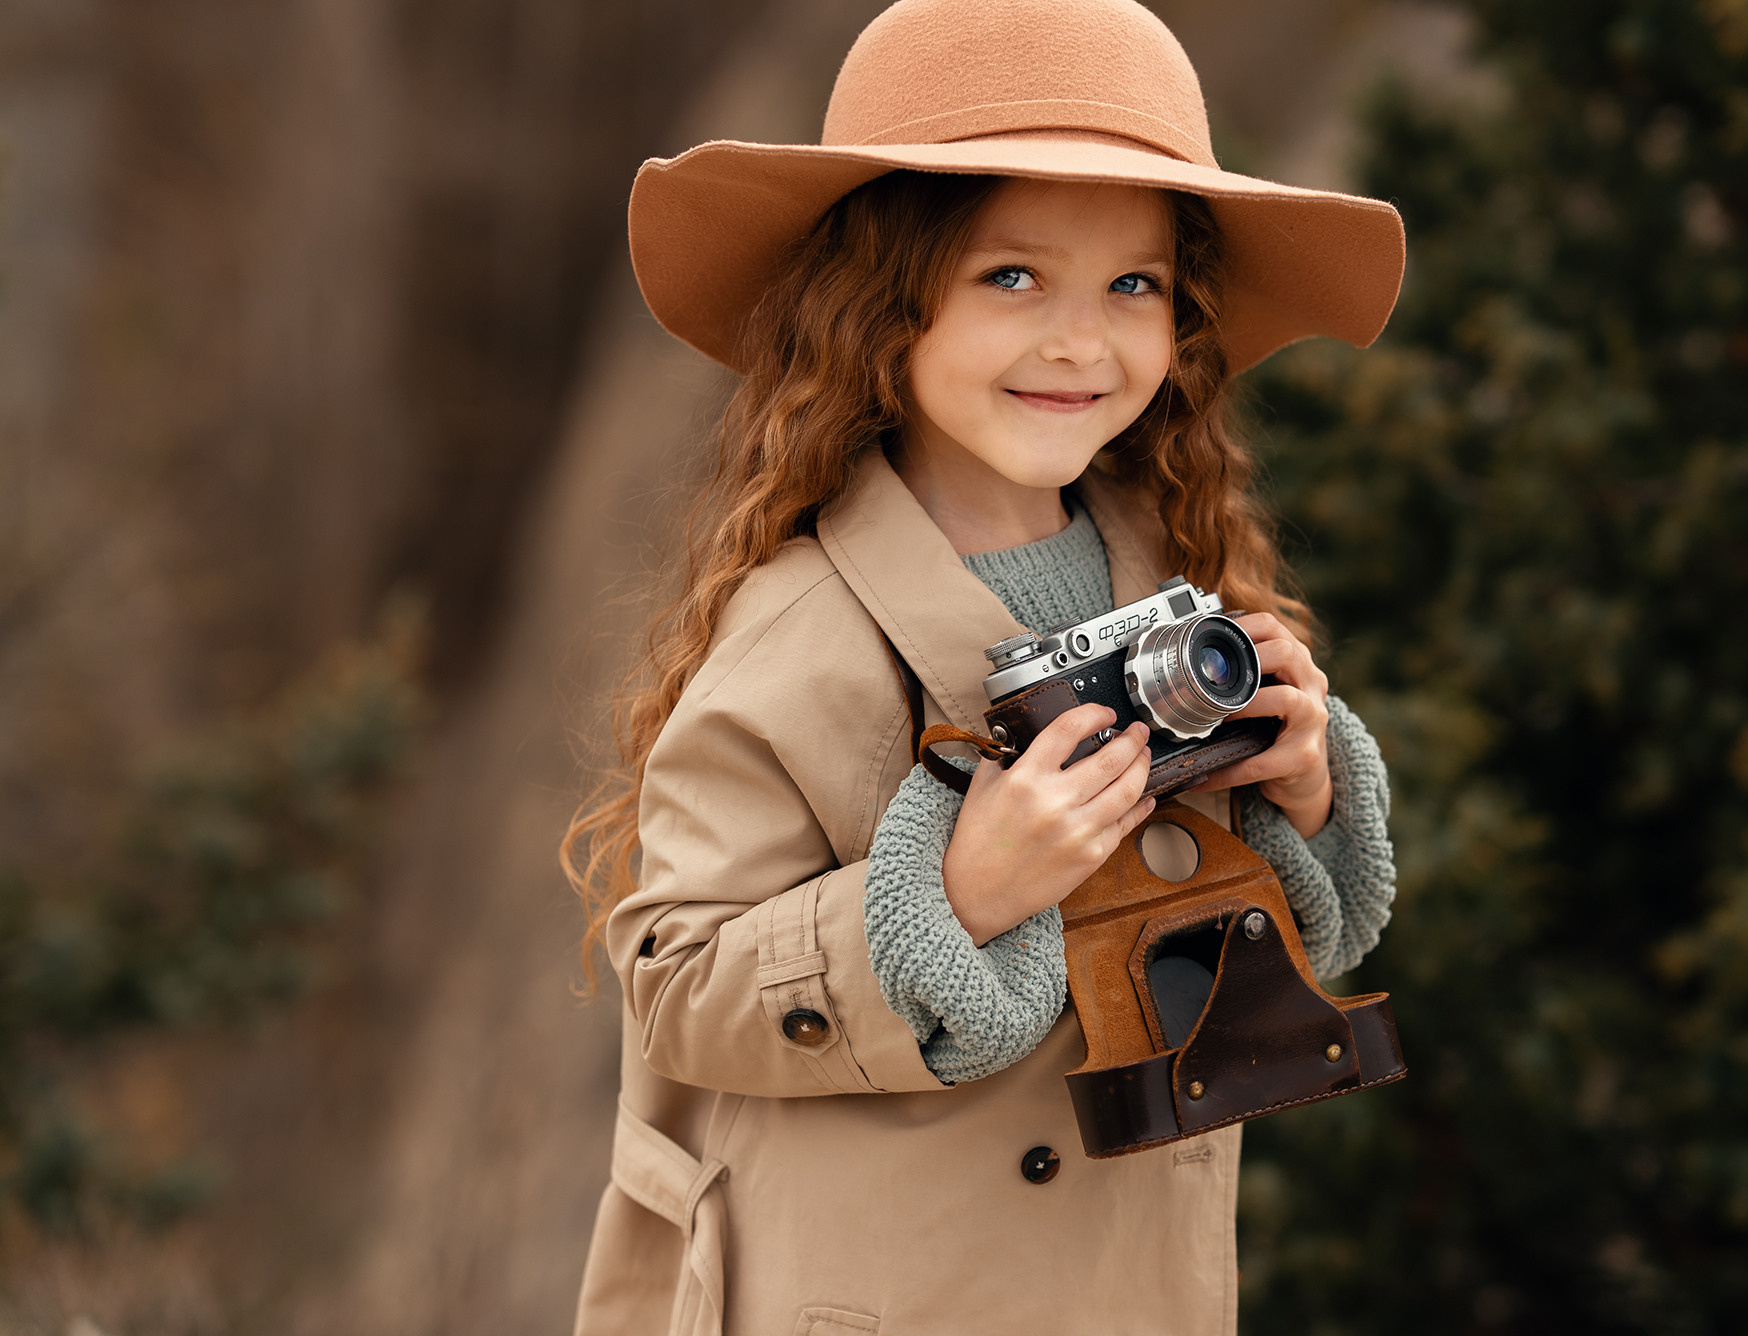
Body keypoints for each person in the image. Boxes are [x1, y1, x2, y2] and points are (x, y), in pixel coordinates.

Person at [564, 1, 1406, 1331]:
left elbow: (1255, 950)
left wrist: (1306, 792)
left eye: (1133, 285)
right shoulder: (802, 635)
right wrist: (955, 896)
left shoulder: (1170, 578)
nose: (1081, 340)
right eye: (1012, 277)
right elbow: (674, 981)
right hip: (879, 1290)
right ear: (881, 309)